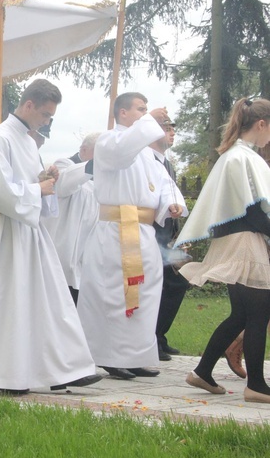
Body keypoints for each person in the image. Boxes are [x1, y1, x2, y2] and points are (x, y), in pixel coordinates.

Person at [0, 79, 100, 393]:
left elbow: (23, 183)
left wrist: (42, 179)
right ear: (28, 105)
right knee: (10, 302)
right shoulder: (0, 138)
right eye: (46, 114)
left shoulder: (26, 139)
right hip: (7, 232)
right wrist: (38, 188)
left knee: (50, 300)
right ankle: (7, 376)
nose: (48, 121)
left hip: (29, 231)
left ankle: (64, 368)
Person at [77, 93, 186, 380]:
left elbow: (165, 183)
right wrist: (151, 121)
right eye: (140, 109)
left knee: (146, 294)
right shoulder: (109, 142)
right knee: (116, 294)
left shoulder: (149, 154)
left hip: (144, 232)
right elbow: (123, 152)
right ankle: (109, 356)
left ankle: (136, 355)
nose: (145, 114)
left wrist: (171, 203)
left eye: (147, 109)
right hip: (115, 231)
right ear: (122, 113)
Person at [176, 97, 270, 403]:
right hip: (244, 242)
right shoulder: (243, 158)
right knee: (258, 313)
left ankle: (203, 372)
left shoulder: (235, 156)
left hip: (233, 240)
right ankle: (256, 385)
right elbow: (254, 213)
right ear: (261, 124)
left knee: (241, 315)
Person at [41, 132, 100, 304]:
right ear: (83, 150)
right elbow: (65, 184)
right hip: (63, 256)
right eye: (100, 151)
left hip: (87, 260)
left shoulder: (103, 178)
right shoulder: (64, 166)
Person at [151, 118, 191, 361]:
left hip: (169, 236)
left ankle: (160, 335)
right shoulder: (147, 161)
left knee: (179, 281)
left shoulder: (168, 163)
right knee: (160, 285)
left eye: (173, 129)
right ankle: (152, 337)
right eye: (167, 129)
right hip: (154, 233)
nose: (172, 133)